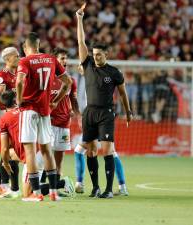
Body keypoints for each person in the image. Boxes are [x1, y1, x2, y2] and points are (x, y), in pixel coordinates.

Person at [76, 3, 132, 198]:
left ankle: (108, 189)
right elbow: (81, 41)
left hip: (106, 113)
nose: (96, 56)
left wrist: (128, 112)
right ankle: (95, 187)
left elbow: (123, 94)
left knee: (107, 150)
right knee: (90, 151)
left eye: (99, 54)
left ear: (106, 55)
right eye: (94, 54)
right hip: (89, 112)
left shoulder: (114, 72)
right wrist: (79, 19)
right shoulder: (88, 65)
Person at [16, 32, 72, 202]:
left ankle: (35, 193)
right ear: (38, 45)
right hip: (45, 112)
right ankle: (54, 192)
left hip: (29, 110)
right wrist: (55, 101)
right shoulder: (51, 59)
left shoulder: (25, 61)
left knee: (31, 151)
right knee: (47, 151)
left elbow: (19, 82)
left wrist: (19, 100)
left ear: (26, 47)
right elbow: (67, 82)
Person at [0, 46, 20, 198]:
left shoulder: (19, 72)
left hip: (17, 114)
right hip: (8, 114)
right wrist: (9, 103)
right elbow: (0, 95)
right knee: (8, 150)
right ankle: (5, 185)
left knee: (8, 151)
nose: (19, 57)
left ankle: (0, 184)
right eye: (16, 56)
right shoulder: (3, 75)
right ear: (8, 59)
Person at [50, 47, 80, 189]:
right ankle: (47, 184)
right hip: (48, 123)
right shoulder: (48, 78)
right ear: (55, 60)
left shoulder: (71, 81)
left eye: (66, 58)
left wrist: (77, 114)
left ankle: (55, 186)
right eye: (62, 58)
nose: (65, 61)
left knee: (59, 158)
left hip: (64, 123)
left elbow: (73, 100)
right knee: (45, 155)